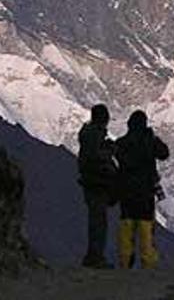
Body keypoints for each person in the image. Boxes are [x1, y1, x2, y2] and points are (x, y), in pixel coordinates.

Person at [115, 110, 169, 269]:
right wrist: (151, 137)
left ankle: (125, 264)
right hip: (145, 194)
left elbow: (116, 157)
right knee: (146, 231)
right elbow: (164, 153)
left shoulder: (121, 143)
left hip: (126, 193)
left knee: (126, 229)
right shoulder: (150, 142)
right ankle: (148, 265)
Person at [77, 104, 118, 269]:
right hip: (97, 184)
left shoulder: (89, 135)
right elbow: (97, 159)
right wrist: (110, 152)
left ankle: (93, 256)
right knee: (98, 222)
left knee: (96, 221)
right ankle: (95, 258)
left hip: (91, 183)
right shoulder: (94, 137)